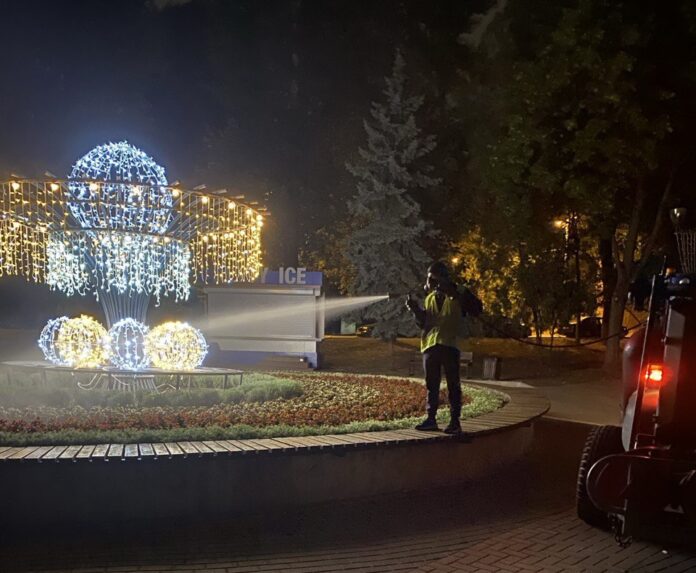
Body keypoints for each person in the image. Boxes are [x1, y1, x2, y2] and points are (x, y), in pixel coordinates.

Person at [405, 261, 483, 434]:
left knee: (453, 384)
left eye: (433, 279)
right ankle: (430, 419)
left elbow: (477, 309)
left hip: (450, 345)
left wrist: (455, 295)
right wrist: (415, 310)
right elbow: (425, 323)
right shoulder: (430, 298)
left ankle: (455, 422)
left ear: (443, 278)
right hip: (430, 345)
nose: (430, 283)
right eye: (429, 279)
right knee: (431, 385)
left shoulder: (460, 291)